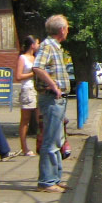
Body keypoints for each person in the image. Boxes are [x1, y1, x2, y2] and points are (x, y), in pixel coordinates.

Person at [32, 14, 70, 193]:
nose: (68, 30)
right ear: (62, 30)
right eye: (67, 27)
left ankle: (55, 178)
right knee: (51, 140)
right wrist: (53, 86)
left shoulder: (55, 47)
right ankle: (47, 182)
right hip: (51, 98)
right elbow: (37, 67)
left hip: (57, 99)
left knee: (57, 139)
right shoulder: (48, 45)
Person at [14, 35, 40, 156]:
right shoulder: (22, 58)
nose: (39, 46)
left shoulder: (36, 58)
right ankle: (24, 148)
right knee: (25, 120)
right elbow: (18, 76)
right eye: (37, 43)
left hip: (37, 89)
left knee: (40, 118)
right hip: (27, 89)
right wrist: (32, 74)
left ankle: (40, 144)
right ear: (32, 44)